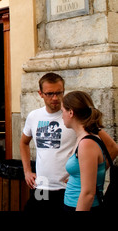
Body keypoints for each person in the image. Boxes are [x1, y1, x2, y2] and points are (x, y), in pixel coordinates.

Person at [20, 72, 118, 212]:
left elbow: (112, 148)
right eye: (49, 93)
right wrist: (27, 171)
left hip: (67, 188)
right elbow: (23, 143)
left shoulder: (75, 116)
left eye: (59, 93)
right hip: (42, 184)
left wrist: (88, 175)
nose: (55, 98)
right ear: (40, 93)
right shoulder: (34, 116)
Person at [62, 91, 116, 211]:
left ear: (71, 112)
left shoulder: (87, 143)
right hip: (72, 202)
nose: (62, 115)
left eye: (63, 111)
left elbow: (88, 194)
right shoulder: (82, 138)